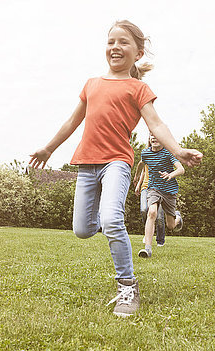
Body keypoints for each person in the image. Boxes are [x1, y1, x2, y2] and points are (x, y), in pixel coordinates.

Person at [29, 20, 202, 317]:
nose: (115, 47)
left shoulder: (138, 88)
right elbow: (72, 122)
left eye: (123, 42)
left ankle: (127, 285)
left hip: (117, 162)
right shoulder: (92, 84)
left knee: (110, 219)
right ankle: (110, 225)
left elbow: (156, 124)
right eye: (111, 42)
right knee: (82, 230)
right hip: (87, 164)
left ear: (138, 53)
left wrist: (177, 150)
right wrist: (48, 148)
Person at [135, 133, 184, 258]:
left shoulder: (168, 153)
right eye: (152, 136)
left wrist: (170, 175)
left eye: (157, 136)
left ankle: (177, 217)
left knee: (171, 225)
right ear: (149, 139)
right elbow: (141, 164)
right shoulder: (145, 153)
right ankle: (147, 249)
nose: (154, 138)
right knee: (151, 212)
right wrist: (136, 176)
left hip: (169, 190)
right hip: (153, 188)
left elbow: (181, 169)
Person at [133, 137, 166, 247]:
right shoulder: (146, 154)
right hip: (146, 187)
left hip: (160, 189)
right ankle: (148, 234)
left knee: (160, 217)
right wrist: (138, 184)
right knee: (144, 210)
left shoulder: (165, 155)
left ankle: (160, 240)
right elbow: (143, 170)